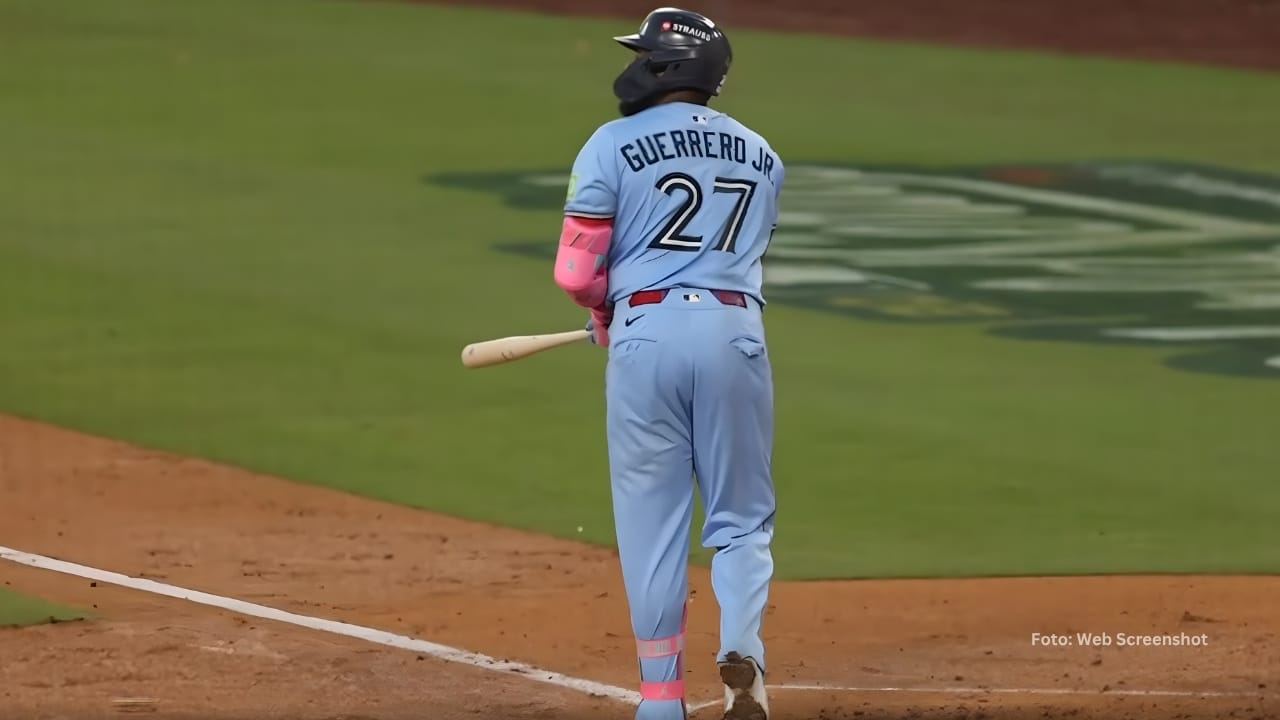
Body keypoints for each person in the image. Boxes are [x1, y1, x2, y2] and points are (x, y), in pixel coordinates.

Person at [552, 7, 784, 720]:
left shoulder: (609, 144)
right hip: (736, 334)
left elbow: (576, 271)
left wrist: (604, 313)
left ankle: (659, 701)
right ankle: (742, 647)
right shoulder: (763, 155)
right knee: (742, 517)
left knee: (652, 525)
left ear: (666, 65)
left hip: (646, 335)